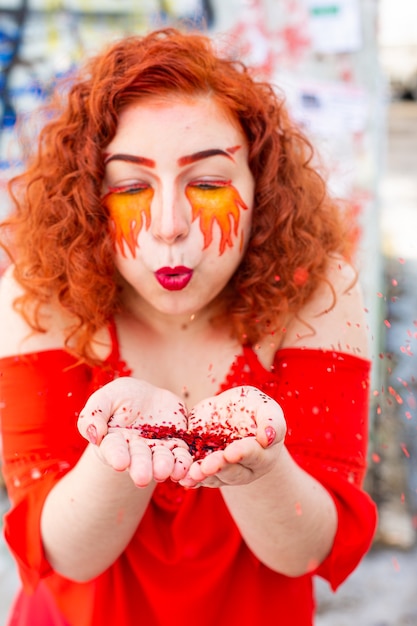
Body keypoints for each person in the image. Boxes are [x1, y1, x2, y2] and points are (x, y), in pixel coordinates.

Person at [0, 27, 377, 626]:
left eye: (206, 183)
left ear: (263, 189)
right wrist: (114, 458)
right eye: (129, 187)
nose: (170, 224)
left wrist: (265, 466)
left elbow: (305, 552)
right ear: (86, 198)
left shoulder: (319, 289)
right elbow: (65, 556)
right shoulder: (40, 294)